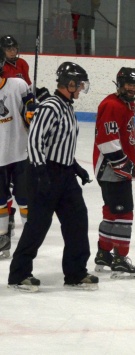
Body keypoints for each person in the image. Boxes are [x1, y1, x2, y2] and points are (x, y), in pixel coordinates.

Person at [8, 62, 97, 292]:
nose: (81, 89)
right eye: (79, 85)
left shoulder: (67, 106)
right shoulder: (50, 107)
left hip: (65, 175)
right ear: (69, 84)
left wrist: (75, 166)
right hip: (44, 173)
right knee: (38, 224)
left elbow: (59, 142)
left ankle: (76, 272)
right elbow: (35, 141)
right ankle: (19, 274)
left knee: (78, 221)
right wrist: (40, 173)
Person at [92, 67, 135, 279]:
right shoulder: (112, 105)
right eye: (128, 84)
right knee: (124, 213)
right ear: (120, 84)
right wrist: (124, 164)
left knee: (112, 211)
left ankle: (104, 254)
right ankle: (120, 259)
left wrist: (134, 156)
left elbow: (123, 135)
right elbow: (106, 141)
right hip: (111, 168)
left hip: (114, 167)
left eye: (134, 85)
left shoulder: (126, 104)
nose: (132, 88)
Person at [0, 49, 35, 259]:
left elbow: (30, 106)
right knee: (0, 201)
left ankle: (30, 238)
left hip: (20, 154)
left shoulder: (18, 85)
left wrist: (31, 112)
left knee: (24, 199)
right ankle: (2, 237)